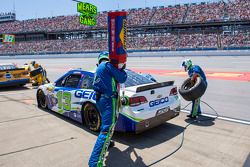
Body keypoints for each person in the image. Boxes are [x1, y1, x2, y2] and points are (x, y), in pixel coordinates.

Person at [88, 52, 127, 167]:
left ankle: (108, 143)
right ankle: (94, 163)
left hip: (100, 99)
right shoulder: (107, 65)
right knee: (107, 129)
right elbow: (122, 78)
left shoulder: (99, 68)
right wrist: (122, 69)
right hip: (108, 100)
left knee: (106, 125)